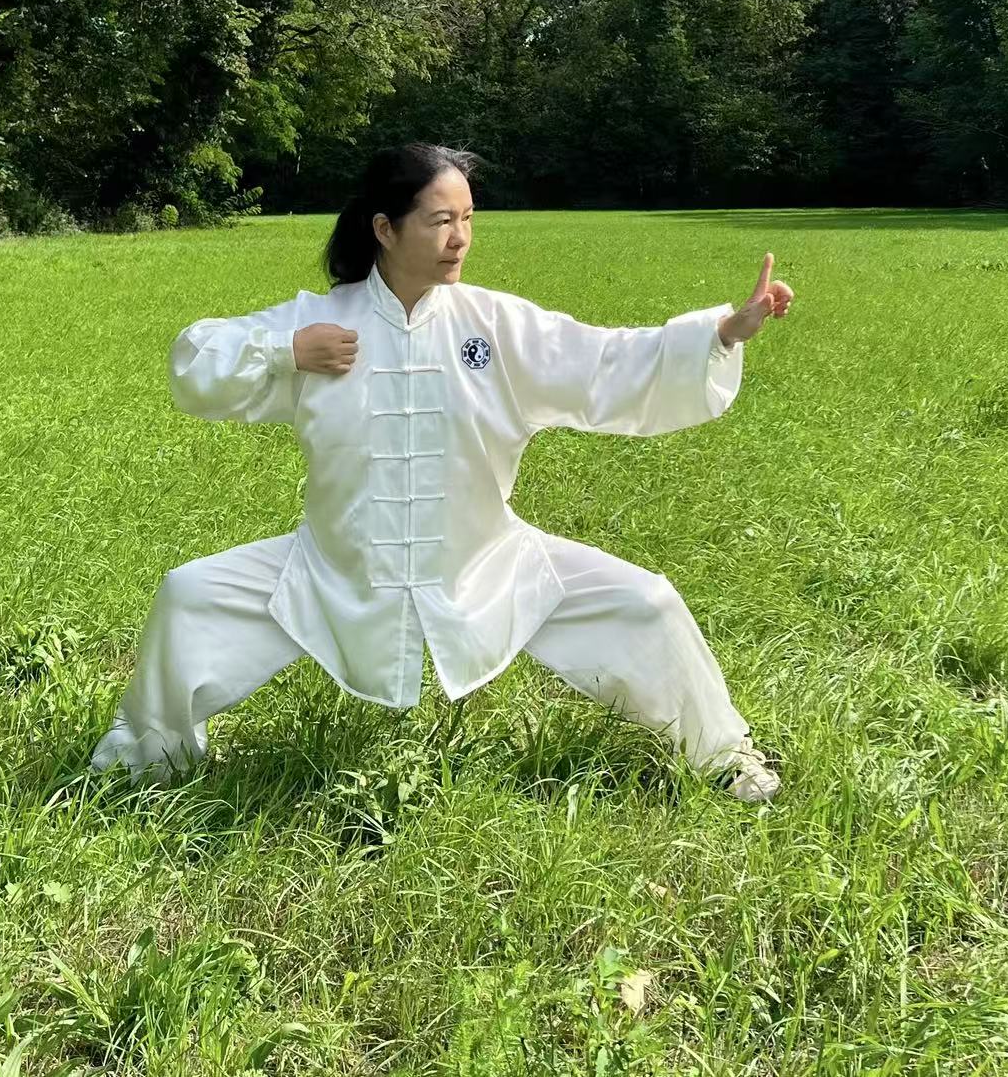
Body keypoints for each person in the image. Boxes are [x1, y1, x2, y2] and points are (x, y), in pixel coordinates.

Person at [91, 144, 795, 800]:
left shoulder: (496, 326)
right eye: (441, 221)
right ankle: (147, 760)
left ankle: (723, 756)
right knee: (189, 595)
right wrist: (287, 351)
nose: (460, 237)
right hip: (333, 570)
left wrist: (720, 334)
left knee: (648, 602)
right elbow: (195, 363)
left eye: (468, 219)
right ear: (385, 229)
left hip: (489, 564)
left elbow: (606, 361)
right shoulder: (321, 324)